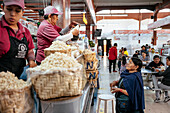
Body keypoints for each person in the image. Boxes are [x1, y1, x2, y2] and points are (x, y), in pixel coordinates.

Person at [0, 0, 37, 78]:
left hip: (19, 77)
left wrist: (31, 60)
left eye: (17, 11)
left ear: (22, 13)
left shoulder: (25, 32)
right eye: (9, 9)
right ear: (3, 8)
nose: (13, 14)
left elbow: (30, 50)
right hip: (2, 78)